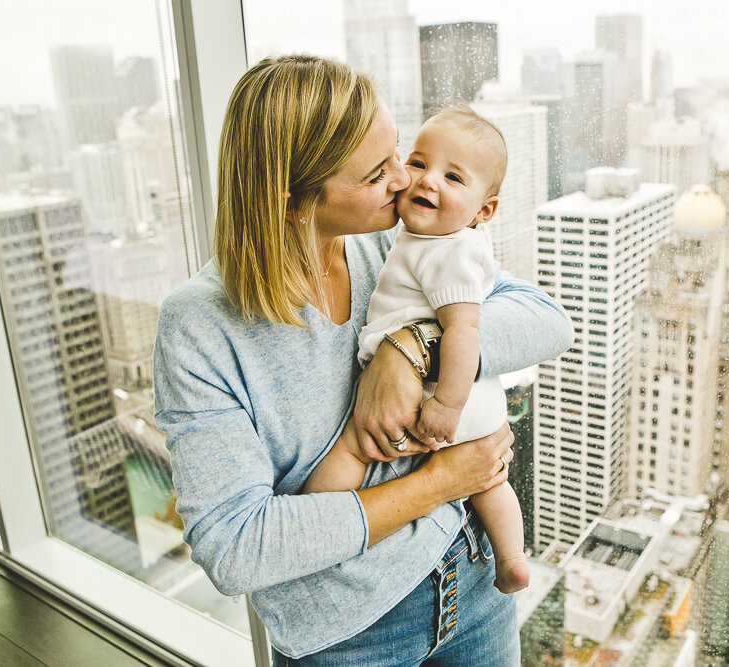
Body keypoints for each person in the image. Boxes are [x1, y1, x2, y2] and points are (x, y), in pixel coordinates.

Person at [153, 55, 573, 666]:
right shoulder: (201, 326)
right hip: (349, 637)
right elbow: (234, 546)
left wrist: (411, 350)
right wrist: (438, 484)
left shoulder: (394, 236)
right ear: (294, 201)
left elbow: (545, 320)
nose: (407, 180)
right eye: (379, 172)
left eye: (399, 152)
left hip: (474, 575)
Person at [304, 107, 529, 594]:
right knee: (492, 484)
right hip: (472, 402)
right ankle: (512, 559)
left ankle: (315, 515)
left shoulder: (451, 251)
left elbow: (467, 331)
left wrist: (441, 397)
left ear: (483, 210)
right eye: (419, 163)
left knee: (356, 443)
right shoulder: (429, 235)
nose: (419, 180)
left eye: (453, 177)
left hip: (439, 396)